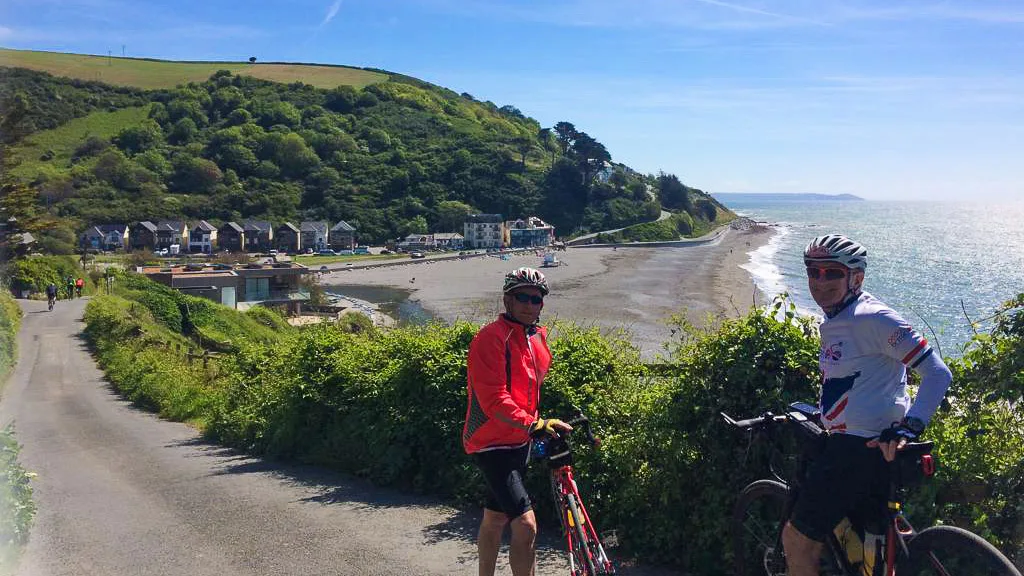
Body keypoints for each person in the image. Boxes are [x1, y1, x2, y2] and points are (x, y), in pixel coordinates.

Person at [783, 235, 953, 576]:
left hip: (856, 449)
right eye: (813, 272)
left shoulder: (872, 318)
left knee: (797, 542)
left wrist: (912, 425)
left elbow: (937, 372)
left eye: (832, 272)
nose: (819, 282)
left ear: (856, 278)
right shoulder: (841, 318)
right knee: (869, 548)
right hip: (870, 445)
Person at [463, 267, 571, 576]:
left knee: (495, 518)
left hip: (519, 440)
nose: (528, 304)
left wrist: (539, 424)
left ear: (542, 305)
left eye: (535, 299)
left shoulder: (535, 339)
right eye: (521, 297)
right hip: (490, 441)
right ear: (507, 300)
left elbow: (530, 390)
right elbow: (493, 399)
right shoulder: (489, 338)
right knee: (525, 526)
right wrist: (533, 424)